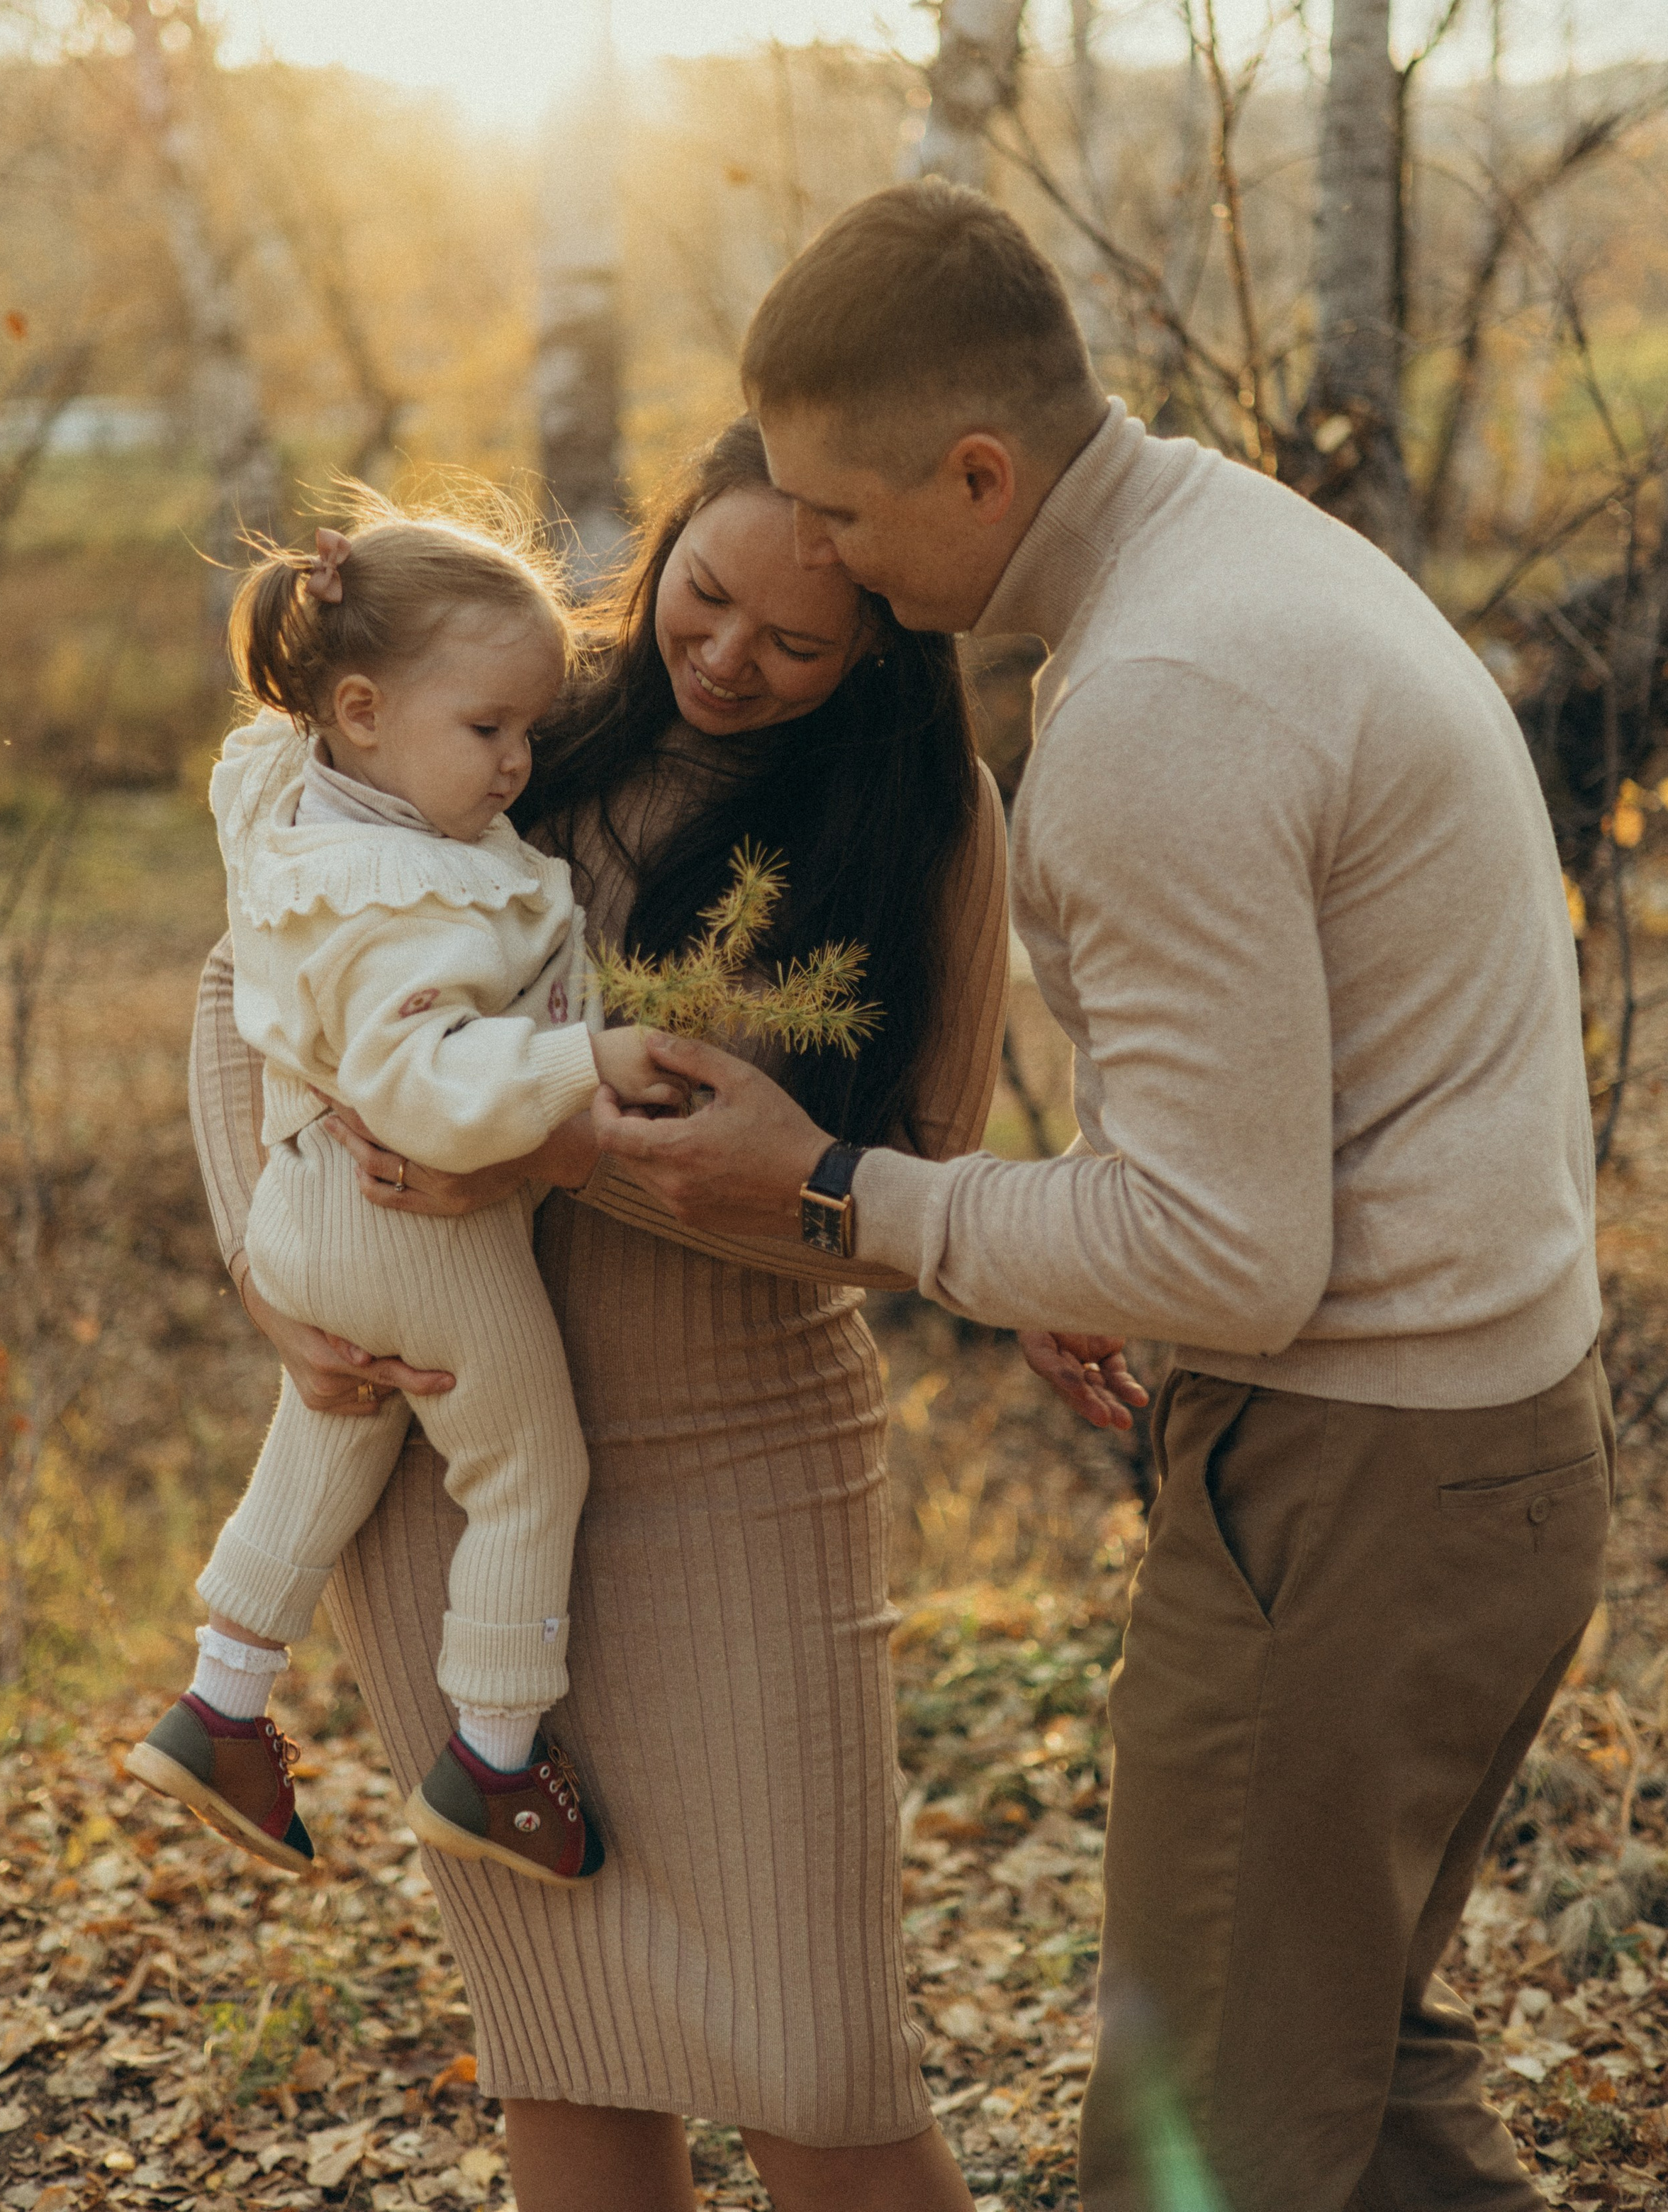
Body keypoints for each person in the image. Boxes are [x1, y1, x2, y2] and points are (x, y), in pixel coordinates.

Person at [596, 181, 1613, 2212]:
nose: (841, 580)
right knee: (1380, 2113)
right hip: (1488, 1454)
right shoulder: (1241, 548)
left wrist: (834, 1192)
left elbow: (1229, 1255)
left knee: (1199, 2159)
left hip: (1360, 1489)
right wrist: (1069, 1228)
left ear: (980, 469)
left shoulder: (1159, 706)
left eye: (854, 526)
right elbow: (1250, 1159)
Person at [188, 417, 1010, 2212]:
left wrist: (569, 1158)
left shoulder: (921, 828)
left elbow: (910, 1203)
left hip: (745, 1469)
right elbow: (251, 972)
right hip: (444, 1466)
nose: (724, 659)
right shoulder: (517, 722)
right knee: (568, 2056)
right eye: (699, 599)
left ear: (881, 638)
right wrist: (274, 1273)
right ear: (655, 558)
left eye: (793, 642)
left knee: (824, 2068)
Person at [131, 504, 677, 1887]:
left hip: (299, 1205)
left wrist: (336, 634)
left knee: (335, 1432)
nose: (516, 764)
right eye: (486, 728)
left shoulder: (289, 792)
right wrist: (581, 1057)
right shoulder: (408, 898)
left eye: (527, 732)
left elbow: (266, 736)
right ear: (363, 712)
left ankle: (223, 1701)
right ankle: (494, 1760)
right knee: (526, 1473)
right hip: (411, 1223)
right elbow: (425, 1087)